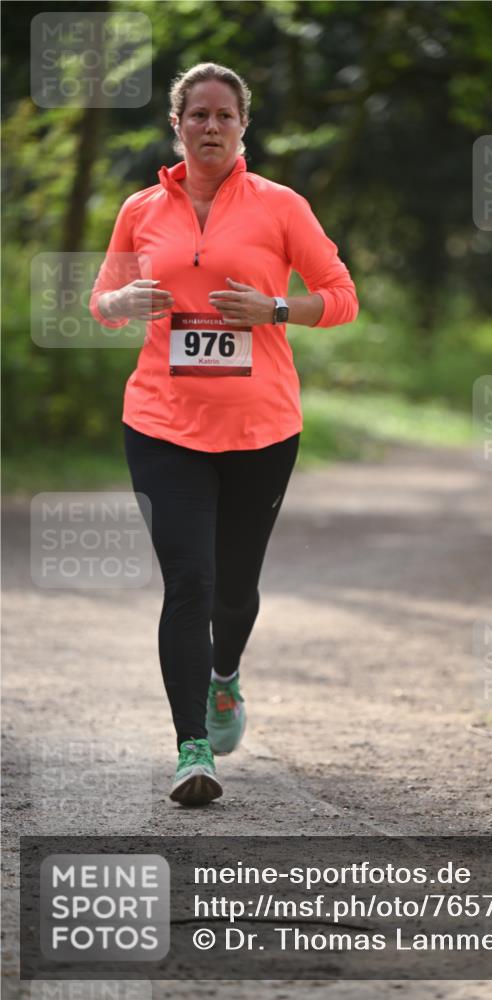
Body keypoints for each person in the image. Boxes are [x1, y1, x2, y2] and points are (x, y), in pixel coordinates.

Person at [90, 62, 358, 807]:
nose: (211, 126)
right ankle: (191, 749)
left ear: (244, 128)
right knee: (190, 583)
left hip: (261, 427)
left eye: (225, 116)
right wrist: (122, 298)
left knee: (233, 591)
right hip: (162, 422)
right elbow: (102, 302)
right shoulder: (140, 207)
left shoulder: (281, 208)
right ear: (176, 125)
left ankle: (225, 676)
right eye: (197, 114)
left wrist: (275, 310)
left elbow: (340, 299)